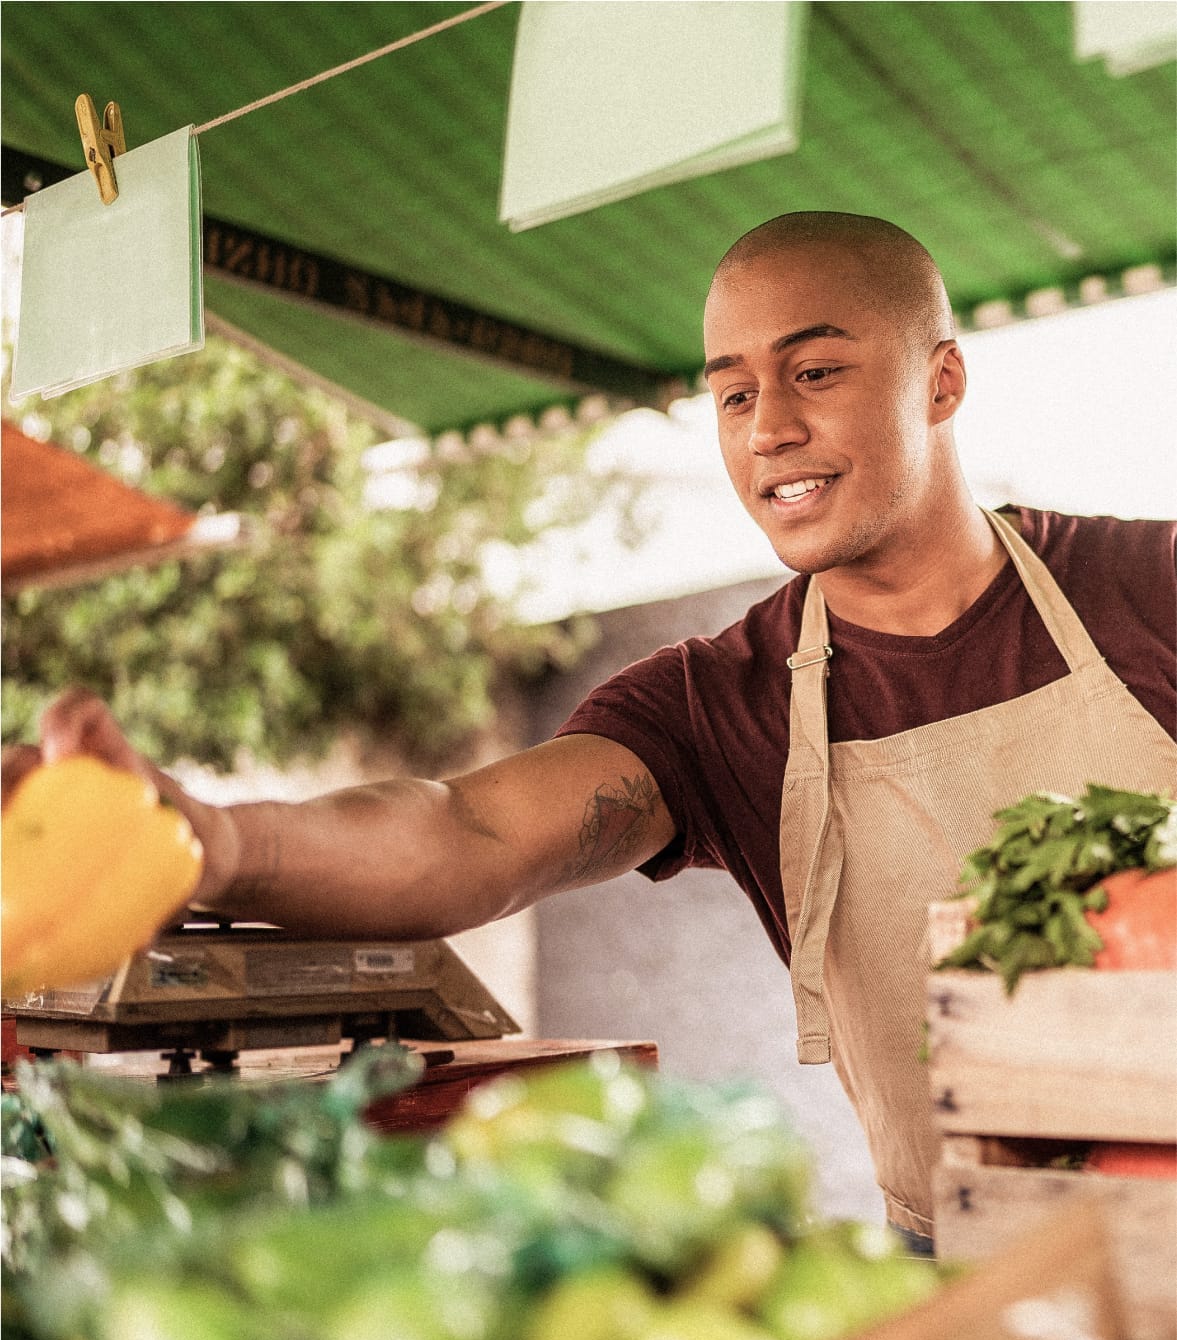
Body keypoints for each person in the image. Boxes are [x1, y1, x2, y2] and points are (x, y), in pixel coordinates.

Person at [8, 212, 1175, 1249]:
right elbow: (468, 832)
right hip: (968, 1272)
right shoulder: (722, 704)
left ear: (941, 381)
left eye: (815, 370)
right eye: (730, 393)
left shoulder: (1148, 587)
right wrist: (218, 844)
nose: (767, 427)